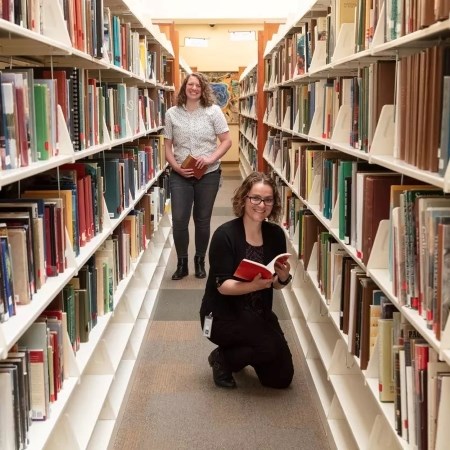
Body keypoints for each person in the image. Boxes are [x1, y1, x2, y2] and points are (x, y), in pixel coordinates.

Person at [199, 172, 294, 389]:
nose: (262, 205)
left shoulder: (275, 234)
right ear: (244, 198)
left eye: (268, 199)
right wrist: (254, 286)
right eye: (256, 198)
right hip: (222, 315)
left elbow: (276, 285)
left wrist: (283, 278)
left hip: (257, 313)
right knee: (269, 346)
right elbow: (222, 287)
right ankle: (223, 360)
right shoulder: (225, 235)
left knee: (280, 380)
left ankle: (238, 351)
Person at [164, 72, 232, 280]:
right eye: (190, 84)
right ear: (185, 87)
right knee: (179, 220)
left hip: (208, 175)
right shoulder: (172, 113)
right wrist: (176, 167)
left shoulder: (213, 112)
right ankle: (182, 263)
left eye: (198, 86)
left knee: (202, 220)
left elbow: (226, 141)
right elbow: (167, 146)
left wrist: (211, 158)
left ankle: (200, 261)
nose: (193, 88)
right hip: (180, 174)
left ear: (203, 90)